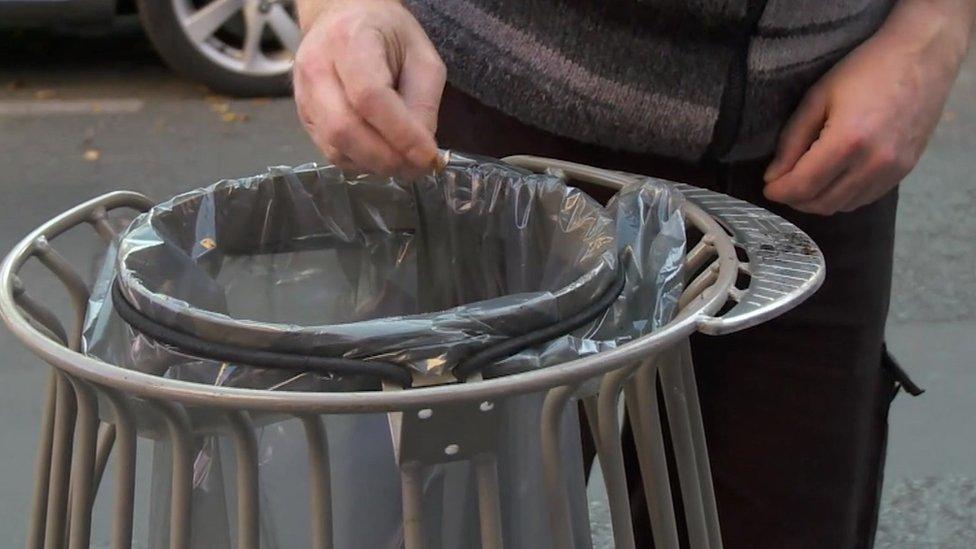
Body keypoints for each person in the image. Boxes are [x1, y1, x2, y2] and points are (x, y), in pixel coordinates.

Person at [292, 0, 974, 546]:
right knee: (444, 522)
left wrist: (933, 26)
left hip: (819, 138)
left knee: (784, 516)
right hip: (486, 105)